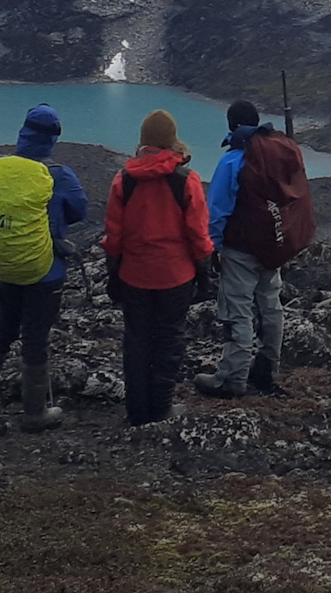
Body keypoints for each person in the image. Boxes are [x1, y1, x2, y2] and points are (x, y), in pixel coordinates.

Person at [0, 105, 88, 431]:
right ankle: (35, 413)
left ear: (23, 133)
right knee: (35, 338)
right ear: (52, 140)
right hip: (43, 271)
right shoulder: (59, 175)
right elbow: (79, 210)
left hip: (3, 265)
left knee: (0, 330)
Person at [195, 98, 315, 398]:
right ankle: (266, 371)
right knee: (271, 308)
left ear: (232, 126)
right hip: (274, 245)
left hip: (240, 250)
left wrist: (213, 247)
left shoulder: (234, 160)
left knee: (238, 312)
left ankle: (232, 379)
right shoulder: (280, 153)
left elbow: (218, 211)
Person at [102, 109, 212, 425]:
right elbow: (198, 234)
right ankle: (161, 407)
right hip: (176, 277)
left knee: (136, 340)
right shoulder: (186, 180)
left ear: (144, 142)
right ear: (171, 142)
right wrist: (203, 271)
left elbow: (114, 235)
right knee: (169, 339)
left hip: (134, 276)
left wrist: (114, 271)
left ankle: (136, 411)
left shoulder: (123, 180)